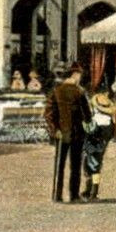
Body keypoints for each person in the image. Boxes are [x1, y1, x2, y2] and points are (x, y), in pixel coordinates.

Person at [43, 61, 88, 203]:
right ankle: (74, 195)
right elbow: (88, 115)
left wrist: (54, 129)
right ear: (75, 75)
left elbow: (48, 114)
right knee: (75, 165)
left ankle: (57, 195)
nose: (80, 78)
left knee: (59, 164)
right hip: (77, 133)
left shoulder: (56, 91)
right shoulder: (80, 91)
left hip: (61, 133)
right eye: (79, 75)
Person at [80, 91, 115, 202]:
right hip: (101, 146)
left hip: (92, 146)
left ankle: (92, 193)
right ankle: (90, 191)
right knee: (94, 166)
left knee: (91, 167)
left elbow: (87, 132)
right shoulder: (109, 122)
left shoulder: (96, 121)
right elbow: (110, 136)